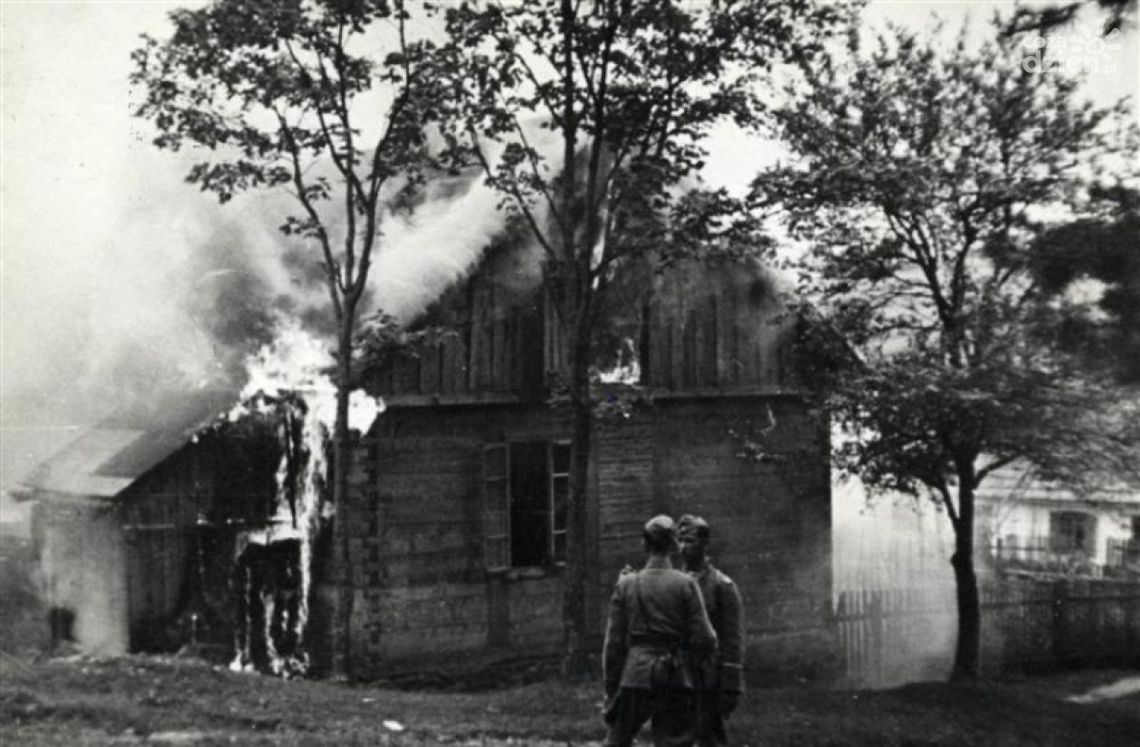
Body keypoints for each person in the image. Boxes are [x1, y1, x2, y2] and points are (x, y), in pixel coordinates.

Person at [602, 515, 718, 747]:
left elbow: (613, 646)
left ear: (644, 544)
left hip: (636, 674)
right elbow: (706, 638)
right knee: (674, 742)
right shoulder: (686, 583)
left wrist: (613, 690)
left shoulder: (626, 584)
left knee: (617, 741)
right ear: (674, 546)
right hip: (675, 675)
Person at [677, 514, 745, 747]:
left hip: (707, 678)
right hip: (676, 675)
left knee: (709, 738)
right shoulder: (674, 583)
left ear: (705, 545)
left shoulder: (721, 586)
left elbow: (732, 639)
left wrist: (731, 686)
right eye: (681, 541)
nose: (684, 547)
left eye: (691, 541)